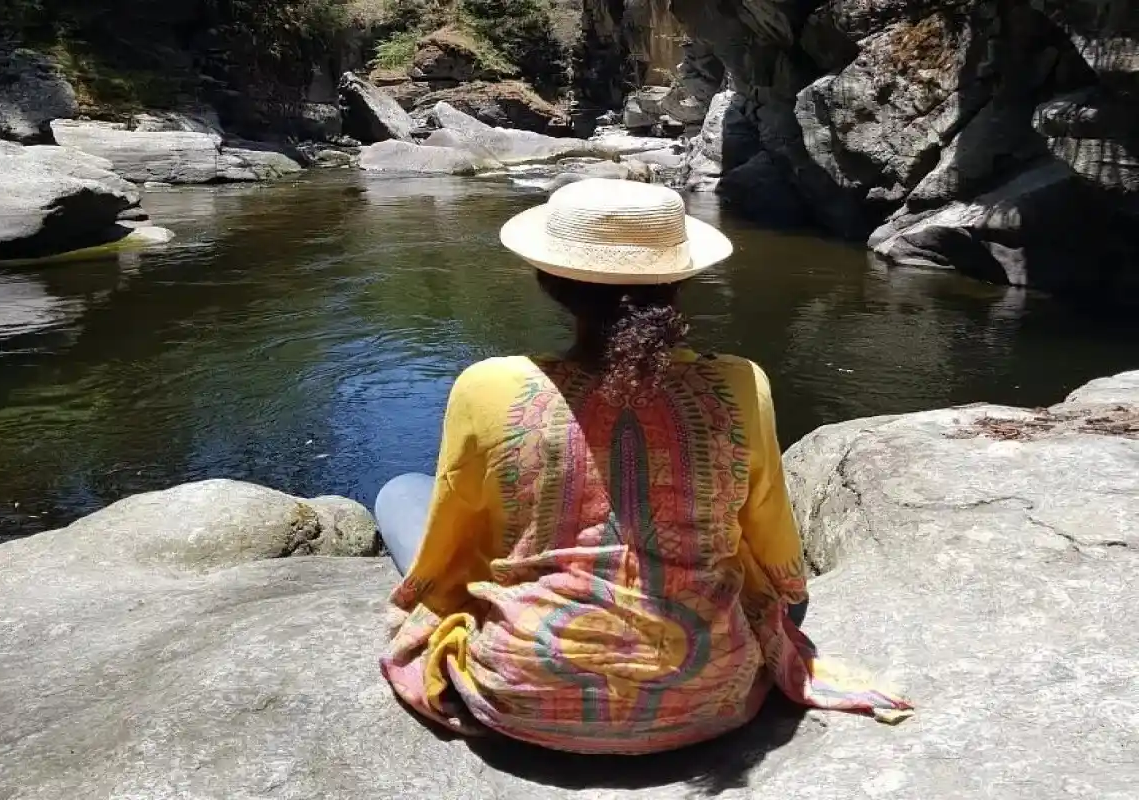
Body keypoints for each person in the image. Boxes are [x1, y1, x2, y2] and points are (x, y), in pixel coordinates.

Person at [376, 179, 911, 755]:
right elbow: (772, 541)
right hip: (715, 694)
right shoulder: (739, 383)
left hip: (522, 695)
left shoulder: (488, 387)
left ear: (549, 282)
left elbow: (455, 539)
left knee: (402, 491)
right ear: (678, 283)